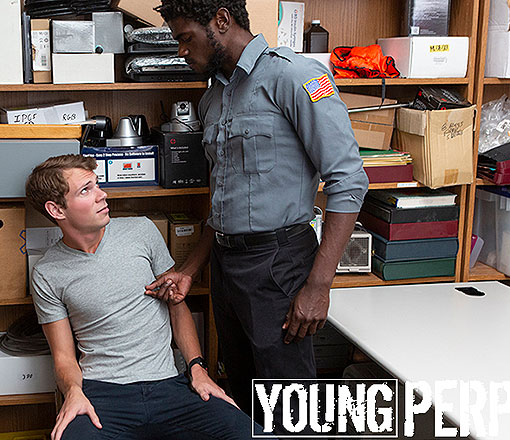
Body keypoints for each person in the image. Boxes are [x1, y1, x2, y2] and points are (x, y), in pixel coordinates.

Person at [147, 0, 369, 419]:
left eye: (186, 38)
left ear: (222, 20)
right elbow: (223, 201)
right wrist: (191, 269)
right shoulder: (212, 98)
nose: (181, 51)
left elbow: (349, 181)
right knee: (245, 396)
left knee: (290, 406)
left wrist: (319, 286)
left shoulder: (296, 77)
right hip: (227, 267)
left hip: (278, 264)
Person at [25, 154, 267, 440]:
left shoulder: (141, 231)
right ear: (56, 209)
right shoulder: (47, 272)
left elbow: (176, 305)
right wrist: (74, 392)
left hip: (170, 387)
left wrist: (198, 369)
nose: (102, 195)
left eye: (97, 184)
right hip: (102, 395)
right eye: (86, 190)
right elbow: (64, 356)